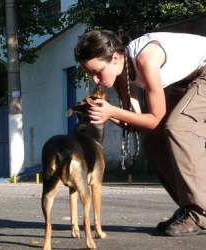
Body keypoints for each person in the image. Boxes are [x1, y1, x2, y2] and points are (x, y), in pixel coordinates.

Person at [74, 29, 206, 236]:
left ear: (116, 58)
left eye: (98, 71)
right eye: (89, 73)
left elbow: (155, 119)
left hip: (203, 71)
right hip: (186, 80)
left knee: (179, 127)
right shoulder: (121, 76)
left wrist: (112, 111)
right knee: (152, 141)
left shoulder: (146, 59)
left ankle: (201, 214)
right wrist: (106, 114)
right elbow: (138, 124)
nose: (95, 80)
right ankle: (189, 208)